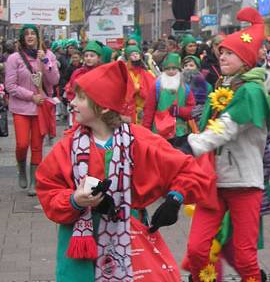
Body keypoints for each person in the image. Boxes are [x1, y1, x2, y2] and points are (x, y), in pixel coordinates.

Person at [35, 60, 211, 281]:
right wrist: (74, 200)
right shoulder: (67, 147)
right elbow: (48, 189)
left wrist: (174, 199)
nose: (72, 103)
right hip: (82, 247)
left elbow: (189, 170)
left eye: (81, 98)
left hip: (128, 238)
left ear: (104, 106)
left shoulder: (139, 140)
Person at [181, 7, 270, 281]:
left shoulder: (251, 91)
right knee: (197, 250)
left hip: (244, 184)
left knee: (245, 258)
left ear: (244, 59)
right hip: (213, 182)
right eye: (221, 52)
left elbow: (226, 127)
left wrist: (191, 144)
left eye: (229, 52)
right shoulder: (224, 84)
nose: (222, 56)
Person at [5, 25, 59, 195]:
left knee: (37, 145)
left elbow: (54, 80)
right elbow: (10, 85)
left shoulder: (47, 54)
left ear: (38, 37)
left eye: (33, 34)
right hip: (21, 107)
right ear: (22, 38)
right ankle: (21, 168)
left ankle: (34, 181)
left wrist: (45, 62)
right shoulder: (14, 58)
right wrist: (30, 96)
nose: (30, 37)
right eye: (26, 34)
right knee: (22, 143)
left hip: (41, 107)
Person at [142, 53, 196, 142]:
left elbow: (192, 109)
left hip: (180, 132)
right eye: (168, 69)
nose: (171, 71)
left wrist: (180, 111)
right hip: (160, 131)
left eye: (174, 69)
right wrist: (146, 131)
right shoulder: (157, 86)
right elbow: (149, 109)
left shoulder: (185, 88)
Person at [123, 44, 155, 125]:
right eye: (132, 54)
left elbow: (152, 86)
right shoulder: (125, 73)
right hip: (131, 109)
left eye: (136, 54)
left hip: (144, 108)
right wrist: (134, 88)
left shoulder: (147, 72)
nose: (135, 56)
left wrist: (140, 88)